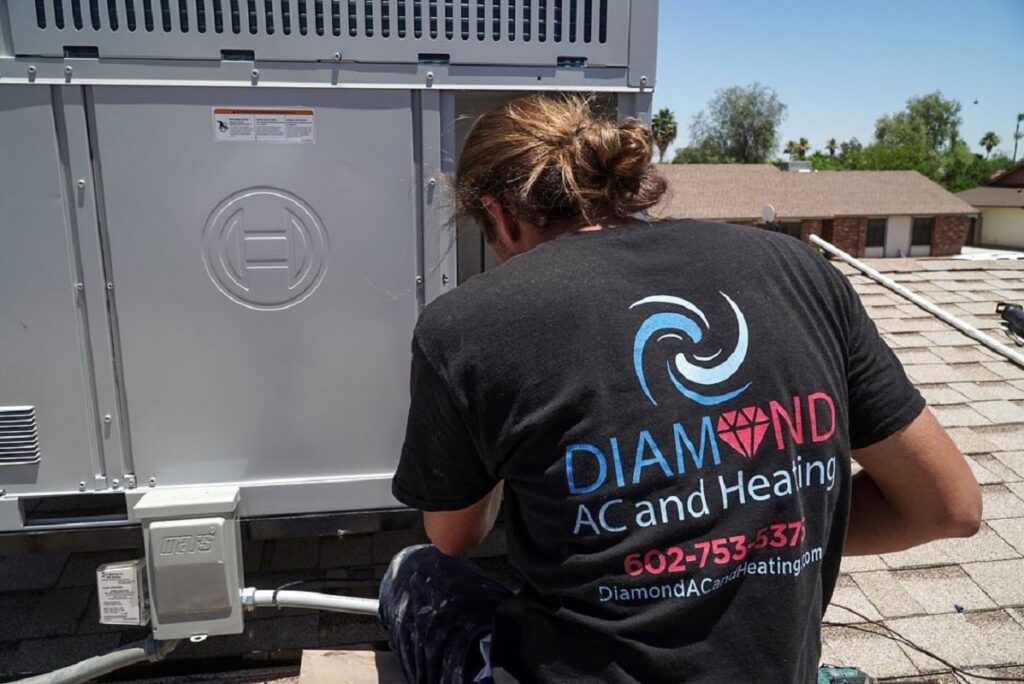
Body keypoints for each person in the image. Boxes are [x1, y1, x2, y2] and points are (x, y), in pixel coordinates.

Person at [377, 95, 982, 683]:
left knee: (416, 571)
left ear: (500, 216)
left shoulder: (467, 326)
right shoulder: (799, 271)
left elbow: (456, 536)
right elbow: (948, 507)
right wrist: (749, 534)